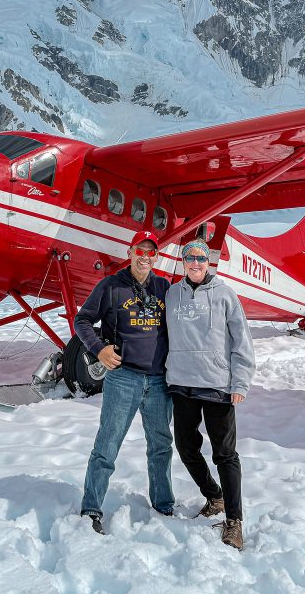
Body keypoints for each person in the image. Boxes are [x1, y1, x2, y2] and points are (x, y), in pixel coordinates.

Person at [76, 230, 174, 534]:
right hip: (123, 377)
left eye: (151, 252)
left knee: (161, 445)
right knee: (107, 443)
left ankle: (164, 505)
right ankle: (91, 508)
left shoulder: (164, 288)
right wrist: (99, 349)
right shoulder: (110, 286)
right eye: (140, 251)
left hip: (159, 380)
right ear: (130, 252)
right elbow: (82, 321)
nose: (145, 257)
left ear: (156, 257)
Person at [166, 238, 255, 551]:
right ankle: (214, 496)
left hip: (217, 385)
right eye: (189, 258)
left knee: (225, 454)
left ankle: (234, 521)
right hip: (182, 383)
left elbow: (241, 341)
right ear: (183, 262)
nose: (195, 264)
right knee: (186, 446)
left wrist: (240, 383)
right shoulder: (172, 293)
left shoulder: (225, 295)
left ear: (209, 263)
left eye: (201, 259)